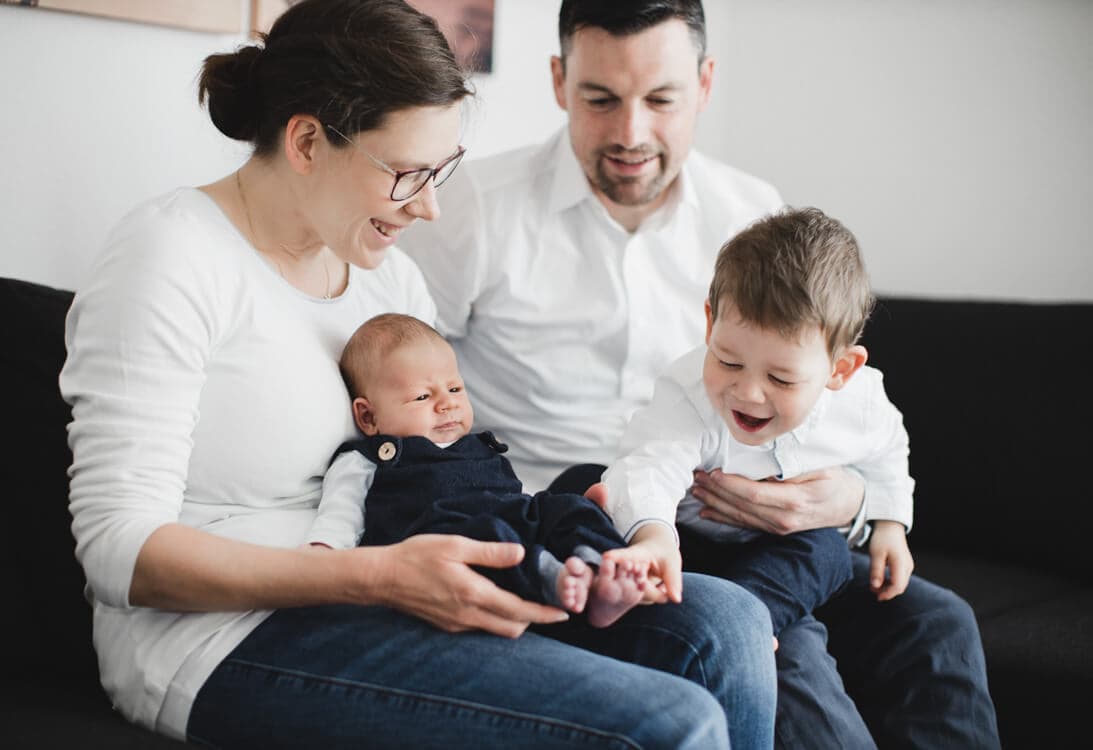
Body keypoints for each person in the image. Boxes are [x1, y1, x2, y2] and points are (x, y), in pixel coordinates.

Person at [59, 1, 777, 747]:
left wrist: (558, 541)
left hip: (393, 585)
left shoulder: (388, 281)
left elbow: (443, 466)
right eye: (407, 174)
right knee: (672, 724)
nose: (430, 208)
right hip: (224, 635)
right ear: (306, 141)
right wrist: (377, 576)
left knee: (727, 623)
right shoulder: (172, 256)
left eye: (441, 172)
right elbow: (118, 550)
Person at [396, 0, 1001, 746]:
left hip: (759, 534)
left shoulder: (750, 214)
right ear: (558, 81)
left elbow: (828, 411)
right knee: (781, 655)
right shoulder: (469, 211)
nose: (630, 133)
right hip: (589, 530)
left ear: (705, 84)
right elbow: (403, 383)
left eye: (661, 100)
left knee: (939, 622)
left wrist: (851, 500)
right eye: (600, 99)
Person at [603, 207, 915, 637]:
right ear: (711, 324)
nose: (748, 393)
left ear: (840, 370)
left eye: (780, 379)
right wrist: (653, 537)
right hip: (683, 535)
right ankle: (623, 590)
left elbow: (888, 449)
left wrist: (890, 525)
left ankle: (744, 622)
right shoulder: (689, 393)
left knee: (828, 550)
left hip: (776, 552)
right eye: (729, 361)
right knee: (590, 488)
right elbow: (650, 466)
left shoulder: (861, 404)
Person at [308, 312, 652, 627]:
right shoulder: (365, 460)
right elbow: (341, 514)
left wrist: (548, 515)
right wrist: (324, 553)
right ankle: (551, 576)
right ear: (368, 417)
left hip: (508, 518)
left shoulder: (476, 445)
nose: (448, 403)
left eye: (455, 388)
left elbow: (516, 502)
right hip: (443, 543)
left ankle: (601, 568)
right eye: (422, 397)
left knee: (569, 505)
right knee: (488, 534)